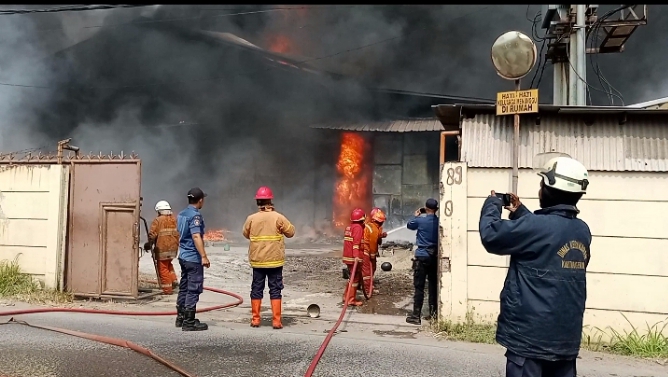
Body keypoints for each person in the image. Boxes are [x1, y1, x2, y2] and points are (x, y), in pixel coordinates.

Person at [478, 156, 591, 377]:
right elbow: (546, 237)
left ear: (547, 190)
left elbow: (491, 235)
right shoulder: (581, 230)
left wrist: (492, 204)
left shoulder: (535, 227)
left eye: (541, 185)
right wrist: (520, 212)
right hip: (566, 340)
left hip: (529, 339)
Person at [242, 186, 296, 330]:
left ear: (258, 202)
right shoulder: (278, 217)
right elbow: (291, 232)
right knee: (275, 289)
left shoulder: (251, 218)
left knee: (256, 289)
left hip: (258, 261)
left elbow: (245, 234)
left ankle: (255, 320)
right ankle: (276, 321)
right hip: (275, 262)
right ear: (270, 200)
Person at [175, 187, 210, 332]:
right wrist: (203, 256)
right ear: (200, 200)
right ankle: (189, 322)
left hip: (183, 256)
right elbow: (196, 236)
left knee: (184, 286)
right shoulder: (195, 216)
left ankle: (181, 317)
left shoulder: (181, 214)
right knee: (193, 288)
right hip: (193, 258)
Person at [405, 198, 439, 325]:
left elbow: (409, 225)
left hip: (422, 255)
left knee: (419, 287)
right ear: (436, 209)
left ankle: (416, 316)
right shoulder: (439, 222)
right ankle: (434, 314)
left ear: (426, 208)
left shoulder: (420, 220)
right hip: (434, 257)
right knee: (433, 286)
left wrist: (416, 215)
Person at [145, 200, 179, 295]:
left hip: (162, 248)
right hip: (173, 248)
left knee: (163, 268)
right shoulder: (174, 219)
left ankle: (167, 290)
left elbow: (152, 234)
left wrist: (149, 243)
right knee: (169, 265)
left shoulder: (158, 220)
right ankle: (174, 281)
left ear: (159, 211)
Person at [341, 208, 365, 307]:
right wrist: (356, 256)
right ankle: (351, 300)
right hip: (353, 257)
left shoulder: (349, 227)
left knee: (351, 278)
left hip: (347, 256)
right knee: (354, 279)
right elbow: (356, 244)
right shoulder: (358, 228)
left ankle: (346, 296)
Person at [361, 208, 388, 296]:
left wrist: (381, 236)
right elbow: (372, 243)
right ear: (380, 221)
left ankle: (363, 285)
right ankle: (368, 287)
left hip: (363, 250)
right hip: (367, 250)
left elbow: (376, 238)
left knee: (366, 269)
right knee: (369, 270)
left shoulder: (372, 226)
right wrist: (372, 255)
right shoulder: (374, 229)